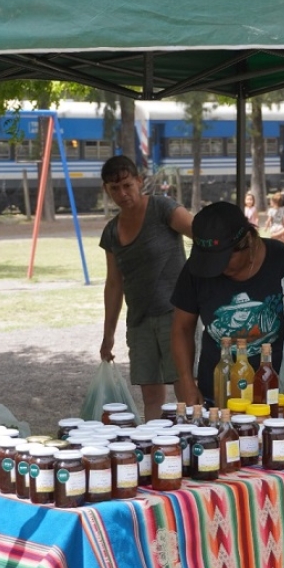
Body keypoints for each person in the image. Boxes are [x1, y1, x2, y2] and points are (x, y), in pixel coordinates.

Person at [171, 201, 284, 406]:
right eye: (209, 262)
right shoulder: (195, 271)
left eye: (223, 260)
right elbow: (182, 328)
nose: (217, 270)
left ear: (248, 239)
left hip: (279, 396)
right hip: (218, 394)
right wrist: (186, 381)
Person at [98, 155, 194, 420]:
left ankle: (194, 439)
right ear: (106, 189)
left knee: (186, 387)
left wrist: (201, 283)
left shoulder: (162, 208)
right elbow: (114, 284)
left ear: (139, 181)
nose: (122, 193)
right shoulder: (111, 232)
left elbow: (200, 234)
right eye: (114, 188)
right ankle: (152, 441)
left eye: (127, 185)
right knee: (151, 396)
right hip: (139, 321)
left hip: (175, 315)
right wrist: (108, 335)